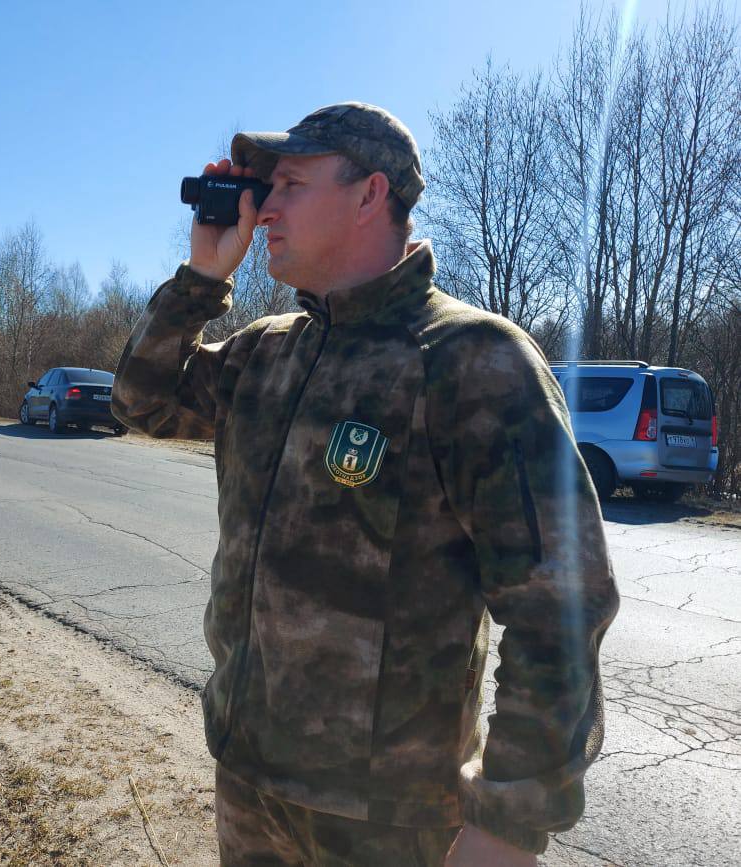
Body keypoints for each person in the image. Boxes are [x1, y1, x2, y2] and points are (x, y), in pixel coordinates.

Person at [111, 102, 619, 866]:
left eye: (289, 184)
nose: (264, 209)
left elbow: (560, 604)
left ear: (369, 194)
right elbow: (138, 401)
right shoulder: (263, 354)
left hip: (389, 819)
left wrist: (508, 823)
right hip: (248, 780)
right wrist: (202, 276)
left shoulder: (472, 360)